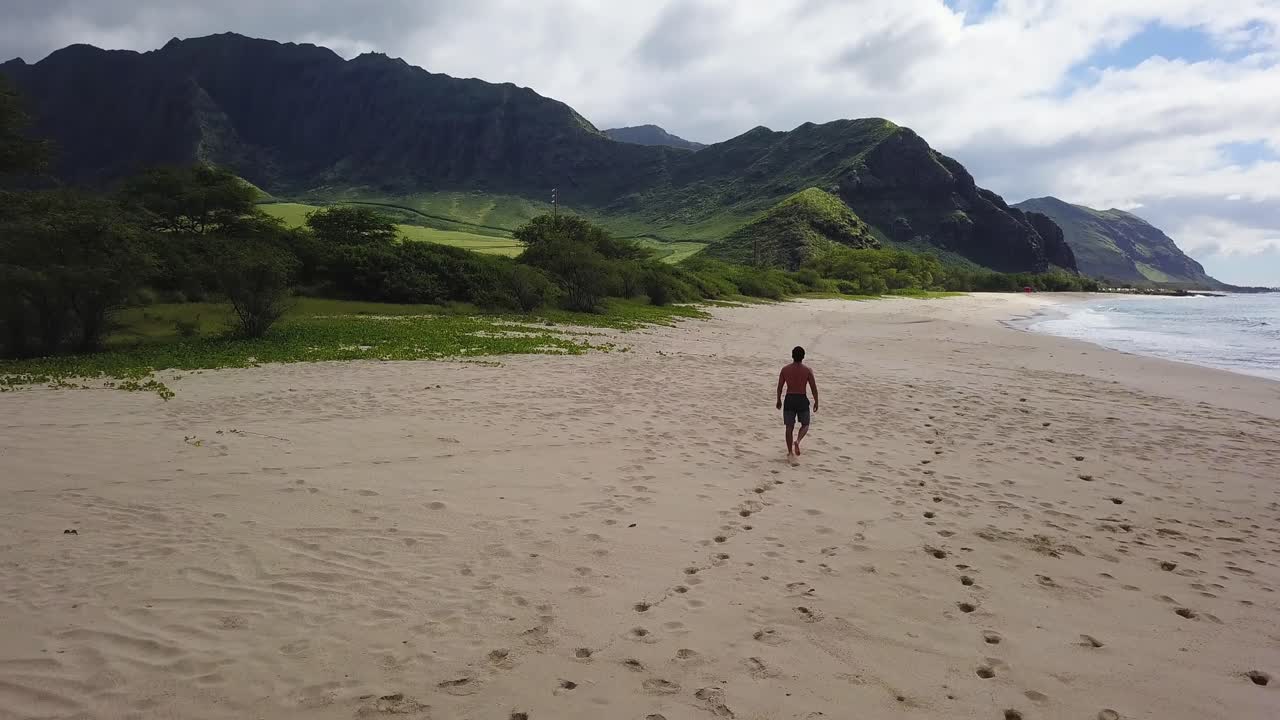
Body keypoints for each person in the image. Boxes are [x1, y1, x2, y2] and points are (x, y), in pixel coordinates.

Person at [776, 346, 818, 457]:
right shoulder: (807, 370)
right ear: (803, 356)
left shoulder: (785, 369)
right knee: (805, 424)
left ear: (792, 355)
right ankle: (798, 441)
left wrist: (778, 399)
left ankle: (790, 452)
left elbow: (780, 387)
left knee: (789, 427)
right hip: (801, 399)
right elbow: (813, 387)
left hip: (790, 399)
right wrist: (816, 401)